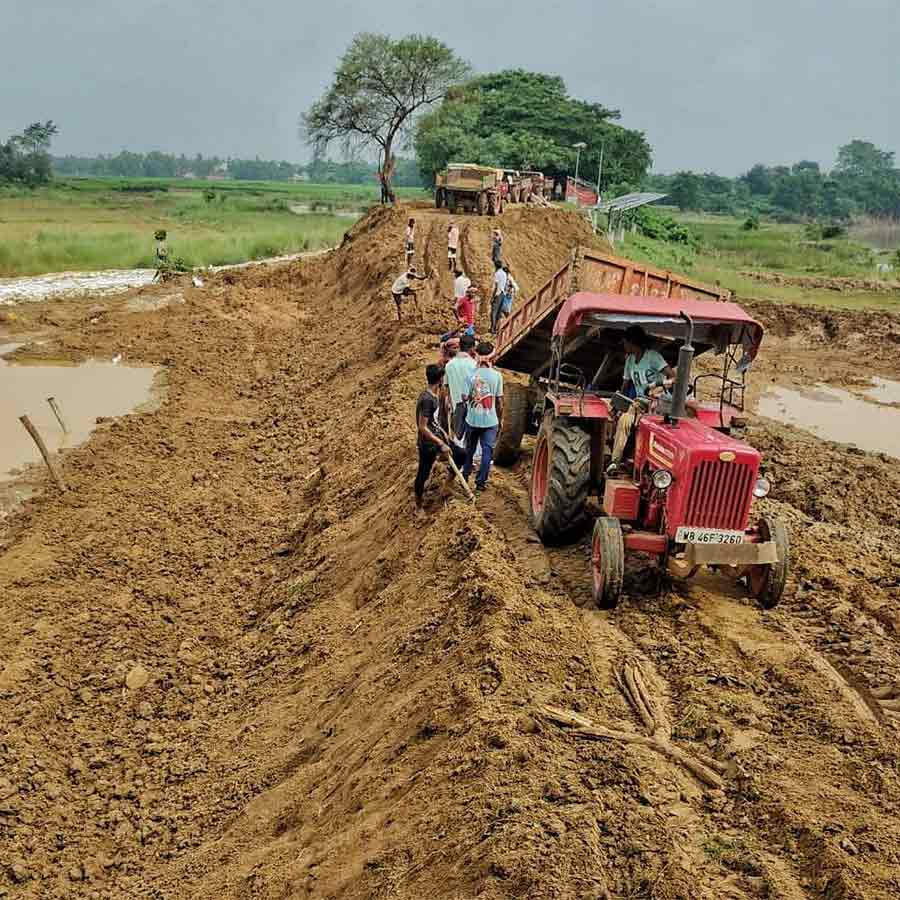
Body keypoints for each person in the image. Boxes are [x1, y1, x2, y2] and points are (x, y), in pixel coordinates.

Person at [610, 326, 675, 469]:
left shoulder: (653, 357)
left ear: (633, 342)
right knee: (624, 420)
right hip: (640, 402)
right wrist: (617, 402)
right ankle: (615, 461)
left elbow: (672, 377)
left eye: (625, 342)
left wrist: (658, 386)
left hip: (659, 401)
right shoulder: (630, 361)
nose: (624, 345)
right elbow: (625, 385)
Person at [415, 364, 467, 508]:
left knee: (461, 454)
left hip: (438, 437)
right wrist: (440, 443)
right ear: (440, 380)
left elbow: (434, 421)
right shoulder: (427, 399)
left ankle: (447, 486)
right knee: (423, 473)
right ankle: (418, 505)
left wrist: (445, 436)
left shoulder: (434, 396)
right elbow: (422, 427)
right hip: (427, 443)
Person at [462, 342, 504, 492]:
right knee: (487, 451)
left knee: (469, 449)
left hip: (472, 420)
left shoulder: (470, 375)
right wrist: (500, 419)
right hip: (490, 420)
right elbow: (499, 401)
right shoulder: (497, 376)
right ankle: (480, 482)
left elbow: (464, 397)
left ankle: (465, 475)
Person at [445, 333, 477, 441]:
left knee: (459, 441)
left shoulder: (449, 365)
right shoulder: (474, 364)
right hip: (473, 410)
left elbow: (447, 389)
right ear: (472, 347)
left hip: (456, 409)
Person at [490, 260, 509, 334]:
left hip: (497, 294)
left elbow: (496, 286)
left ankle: (493, 328)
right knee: (498, 313)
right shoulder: (504, 273)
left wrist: (492, 296)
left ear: (495, 266)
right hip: (503, 294)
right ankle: (497, 328)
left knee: (493, 312)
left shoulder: (497, 274)